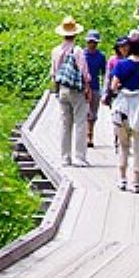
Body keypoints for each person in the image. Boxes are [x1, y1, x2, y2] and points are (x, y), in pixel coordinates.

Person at [104, 35, 139, 192]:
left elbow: (113, 87)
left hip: (122, 107)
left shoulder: (121, 65)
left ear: (130, 48)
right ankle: (136, 182)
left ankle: (122, 179)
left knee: (123, 145)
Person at [48, 17, 92, 167]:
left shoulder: (55, 51)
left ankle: (65, 158)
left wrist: (56, 89)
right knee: (80, 122)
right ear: (75, 34)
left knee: (65, 124)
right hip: (76, 90)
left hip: (62, 90)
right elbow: (84, 73)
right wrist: (88, 88)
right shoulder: (78, 50)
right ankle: (79, 157)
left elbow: (53, 73)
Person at [80, 30, 108, 149]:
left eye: (94, 42)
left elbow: (104, 73)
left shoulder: (101, 56)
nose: (92, 44)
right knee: (82, 113)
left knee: (93, 113)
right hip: (81, 87)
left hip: (95, 87)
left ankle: (90, 136)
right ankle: (83, 136)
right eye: (90, 42)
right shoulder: (81, 55)